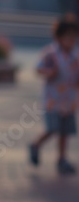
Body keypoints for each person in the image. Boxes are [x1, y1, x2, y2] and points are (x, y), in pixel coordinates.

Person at [29, 19, 79, 175]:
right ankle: (35, 145)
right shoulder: (51, 54)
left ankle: (62, 159)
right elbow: (39, 69)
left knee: (65, 132)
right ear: (59, 37)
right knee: (52, 128)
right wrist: (50, 72)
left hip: (69, 101)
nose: (71, 41)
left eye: (74, 37)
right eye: (68, 37)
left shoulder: (75, 55)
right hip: (53, 101)